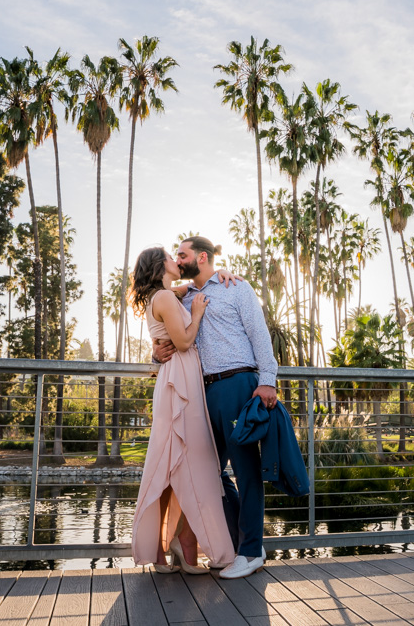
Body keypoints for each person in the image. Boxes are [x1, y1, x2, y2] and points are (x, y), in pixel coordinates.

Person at [154, 236, 278, 580]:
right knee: (210, 472)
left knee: (246, 469)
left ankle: (250, 552)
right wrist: (155, 354)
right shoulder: (183, 297)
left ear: (202, 257)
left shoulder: (235, 287)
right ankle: (241, 544)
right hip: (201, 392)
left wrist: (267, 380)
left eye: (183, 254)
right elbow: (169, 334)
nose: (178, 259)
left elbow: (259, 335)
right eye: (176, 256)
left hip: (238, 384)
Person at [128, 247, 235, 573]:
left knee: (180, 464)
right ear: (160, 265)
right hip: (178, 381)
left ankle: (180, 545)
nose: (176, 261)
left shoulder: (166, 294)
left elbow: (190, 287)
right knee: (168, 465)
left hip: (184, 378)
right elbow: (185, 342)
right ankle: (161, 548)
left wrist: (220, 274)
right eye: (170, 256)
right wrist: (198, 313)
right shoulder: (163, 297)